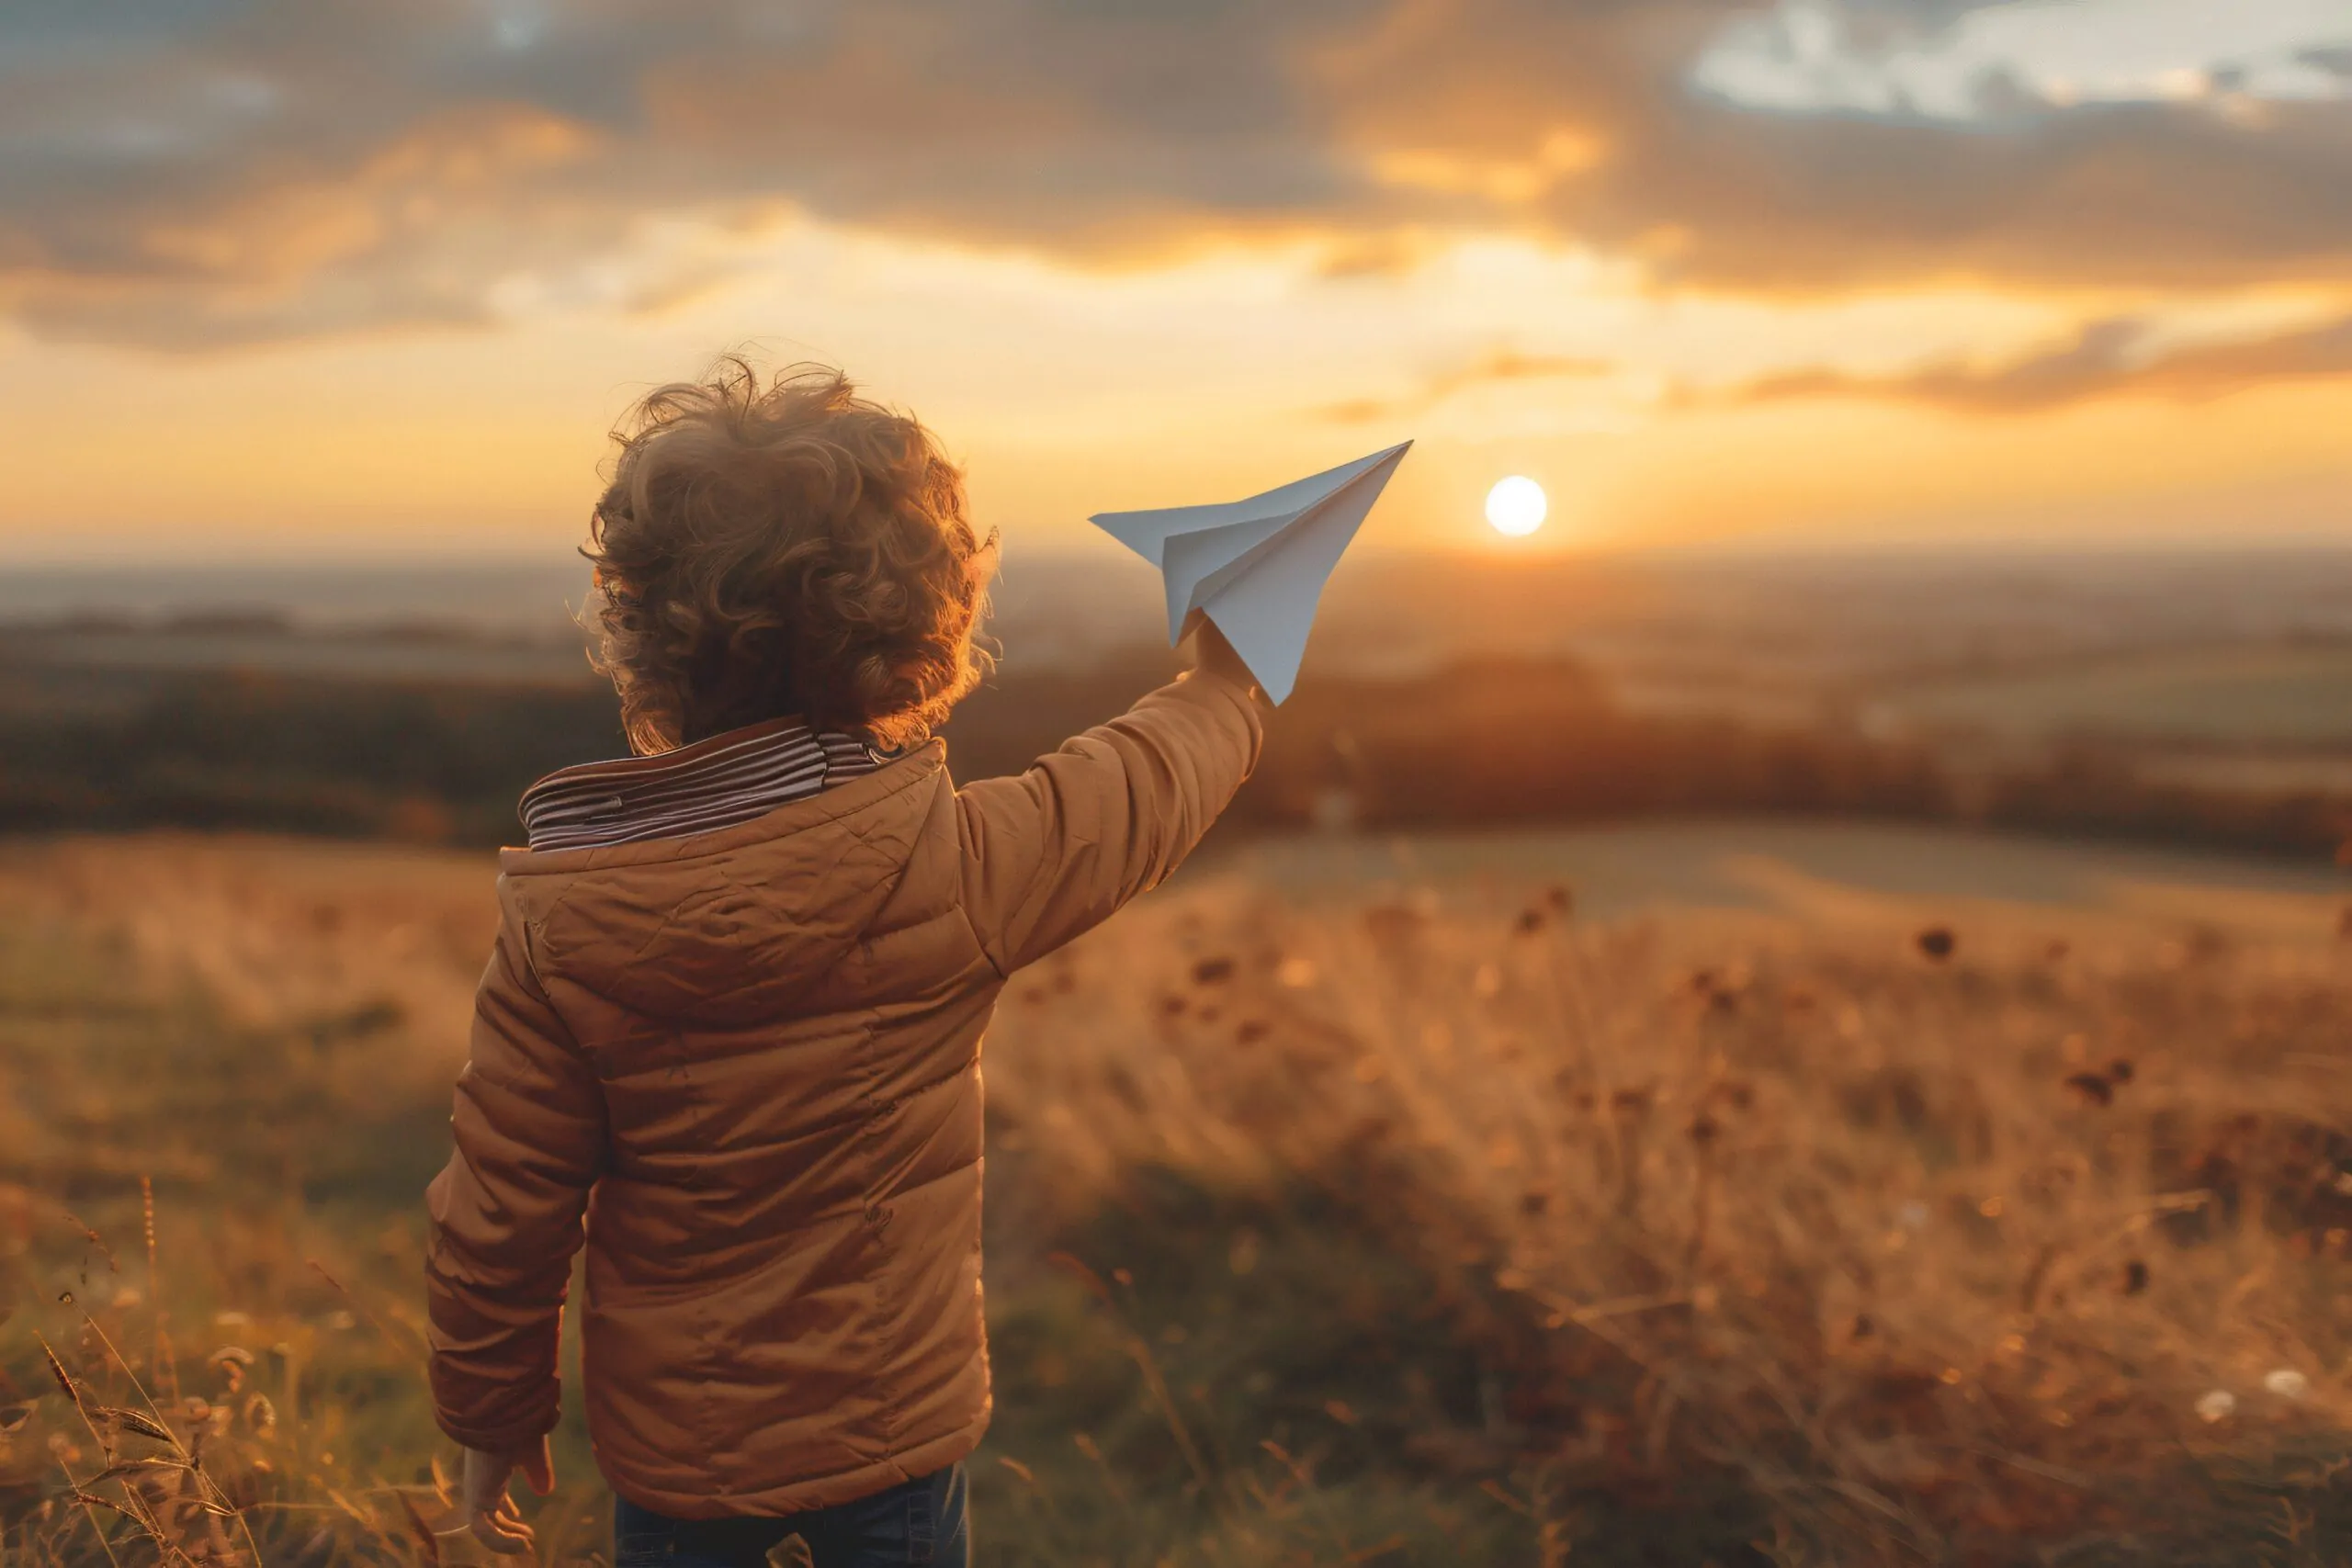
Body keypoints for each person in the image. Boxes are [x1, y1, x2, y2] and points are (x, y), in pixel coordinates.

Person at [423, 357, 1264, 1568]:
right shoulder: (956, 864)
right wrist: (1229, 687)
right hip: (895, 1448)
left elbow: (501, 1211)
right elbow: (1135, 788)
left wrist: (489, 1417)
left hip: (679, 1467)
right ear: (920, 622)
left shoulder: (564, 921)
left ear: (640, 627)